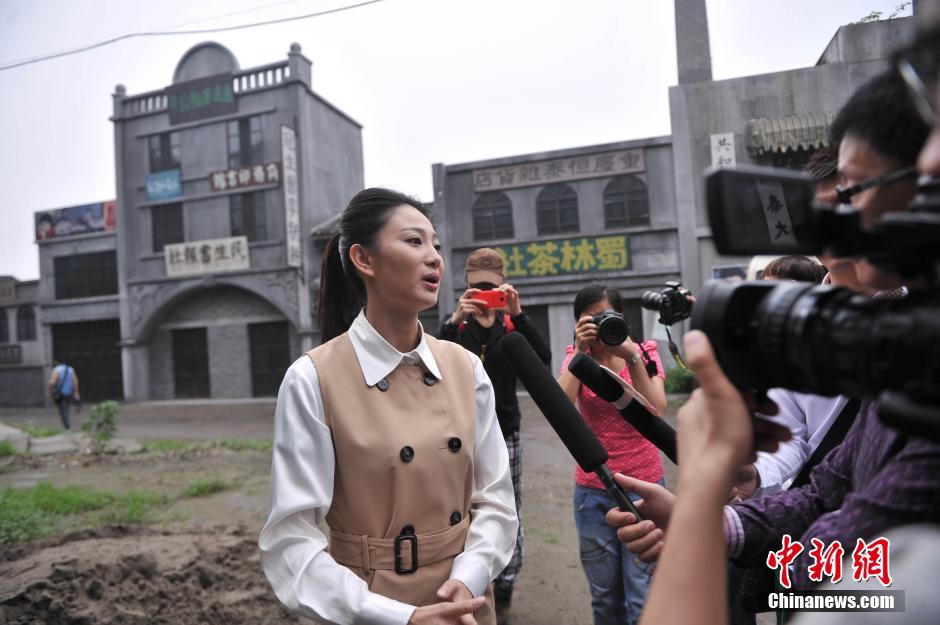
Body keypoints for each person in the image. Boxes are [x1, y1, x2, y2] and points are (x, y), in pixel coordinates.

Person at [607, 67, 940, 624]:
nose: (836, 227)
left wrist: (698, 521)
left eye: (854, 194)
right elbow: (827, 489)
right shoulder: (907, 351)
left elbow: (853, 558)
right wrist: (719, 517)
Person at [258, 188, 518, 625]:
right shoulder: (313, 378)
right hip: (370, 606)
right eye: (415, 241)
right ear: (364, 259)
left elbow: (496, 500)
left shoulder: (466, 367)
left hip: (465, 603)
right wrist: (398, 616)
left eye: (436, 244)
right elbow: (290, 540)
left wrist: (469, 577)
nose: (434, 257)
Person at [438, 247, 551, 624]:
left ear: (503, 286)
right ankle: (467, 582)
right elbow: (431, 368)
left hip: (507, 432)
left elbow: (542, 361)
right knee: (461, 511)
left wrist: (518, 314)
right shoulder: (458, 328)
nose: (484, 295)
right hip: (460, 437)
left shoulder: (511, 326)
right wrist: (454, 320)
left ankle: (504, 587)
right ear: (466, 286)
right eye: (477, 287)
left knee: (507, 511)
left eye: (491, 287)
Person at [556, 285, 667, 625]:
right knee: (604, 597)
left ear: (621, 316)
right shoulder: (577, 358)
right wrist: (580, 352)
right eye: (590, 319)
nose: (600, 324)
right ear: (578, 324)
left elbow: (658, 408)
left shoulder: (644, 352)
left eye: (606, 316)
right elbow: (559, 409)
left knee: (643, 594)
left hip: (644, 486)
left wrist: (630, 355)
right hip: (593, 489)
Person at [48, 359, 79, 430]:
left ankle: (66, 424)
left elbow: (52, 382)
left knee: (62, 409)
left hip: (60, 394)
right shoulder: (70, 369)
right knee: (66, 407)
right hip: (68, 393)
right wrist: (76, 392)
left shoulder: (56, 370)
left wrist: (49, 390)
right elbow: (75, 381)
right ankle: (67, 422)